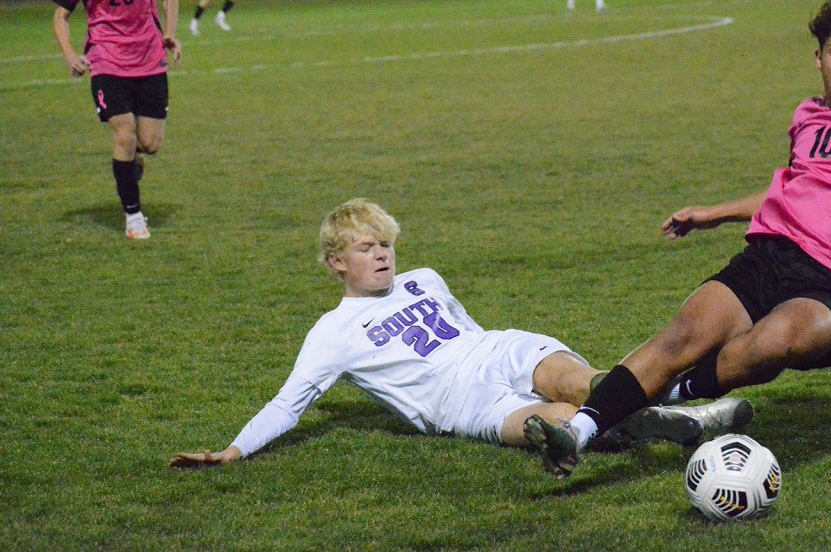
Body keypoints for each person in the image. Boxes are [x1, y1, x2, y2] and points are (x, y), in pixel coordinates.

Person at [525, 0, 831, 479]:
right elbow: (796, 192)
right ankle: (580, 434)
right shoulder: (806, 116)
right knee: (682, 336)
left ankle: (667, 397)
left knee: (771, 341)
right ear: (818, 58)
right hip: (771, 257)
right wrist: (716, 214)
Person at [170, 199, 751, 468]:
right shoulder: (331, 333)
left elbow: (468, 330)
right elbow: (288, 403)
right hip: (458, 401)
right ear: (335, 263)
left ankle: (673, 411)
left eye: (385, 243)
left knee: (575, 382)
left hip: (495, 348)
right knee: (549, 425)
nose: (381, 255)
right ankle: (682, 418)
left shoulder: (425, 279)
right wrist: (233, 450)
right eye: (364, 248)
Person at [53, 0, 181, 240]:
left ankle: (130, 164)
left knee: (150, 144)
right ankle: (134, 217)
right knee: (124, 134)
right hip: (107, 59)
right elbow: (60, 15)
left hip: (150, 58)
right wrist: (71, 56)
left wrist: (169, 32)